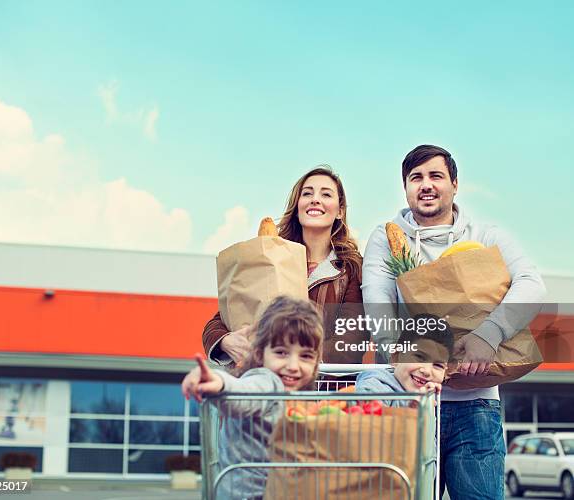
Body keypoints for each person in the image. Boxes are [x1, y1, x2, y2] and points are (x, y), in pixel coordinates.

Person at [361, 145, 546, 499]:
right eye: (416, 178)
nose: (426, 185)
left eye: (436, 176)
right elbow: (378, 306)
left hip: (476, 407)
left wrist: (487, 335)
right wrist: (400, 358)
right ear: (406, 188)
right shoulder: (385, 239)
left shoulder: (485, 236)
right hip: (408, 404)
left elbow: (531, 284)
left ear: (455, 185)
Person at [202, 166, 366, 366]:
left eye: (326, 194)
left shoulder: (351, 269)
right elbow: (223, 318)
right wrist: (225, 341)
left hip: (321, 389)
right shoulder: (267, 259)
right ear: (297, 207)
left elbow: (350, 340)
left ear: (340, 211)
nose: (315, 199)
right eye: (307, 193)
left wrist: (292, 359)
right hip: (266, 385)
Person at [183, 296, 323, 500]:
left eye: (305, 356)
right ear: (259, 354)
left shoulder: (295, 396)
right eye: (281, 352)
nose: (293, 365)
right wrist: (219, 383)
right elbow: (244, 393)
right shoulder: (267, 382)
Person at [356, 315, 454, 407]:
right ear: (397, 356)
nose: (427, 371)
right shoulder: (376, 387)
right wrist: (410, 410)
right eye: (419, 357)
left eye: (438, 365)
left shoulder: (427, 395)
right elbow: (368, 419)